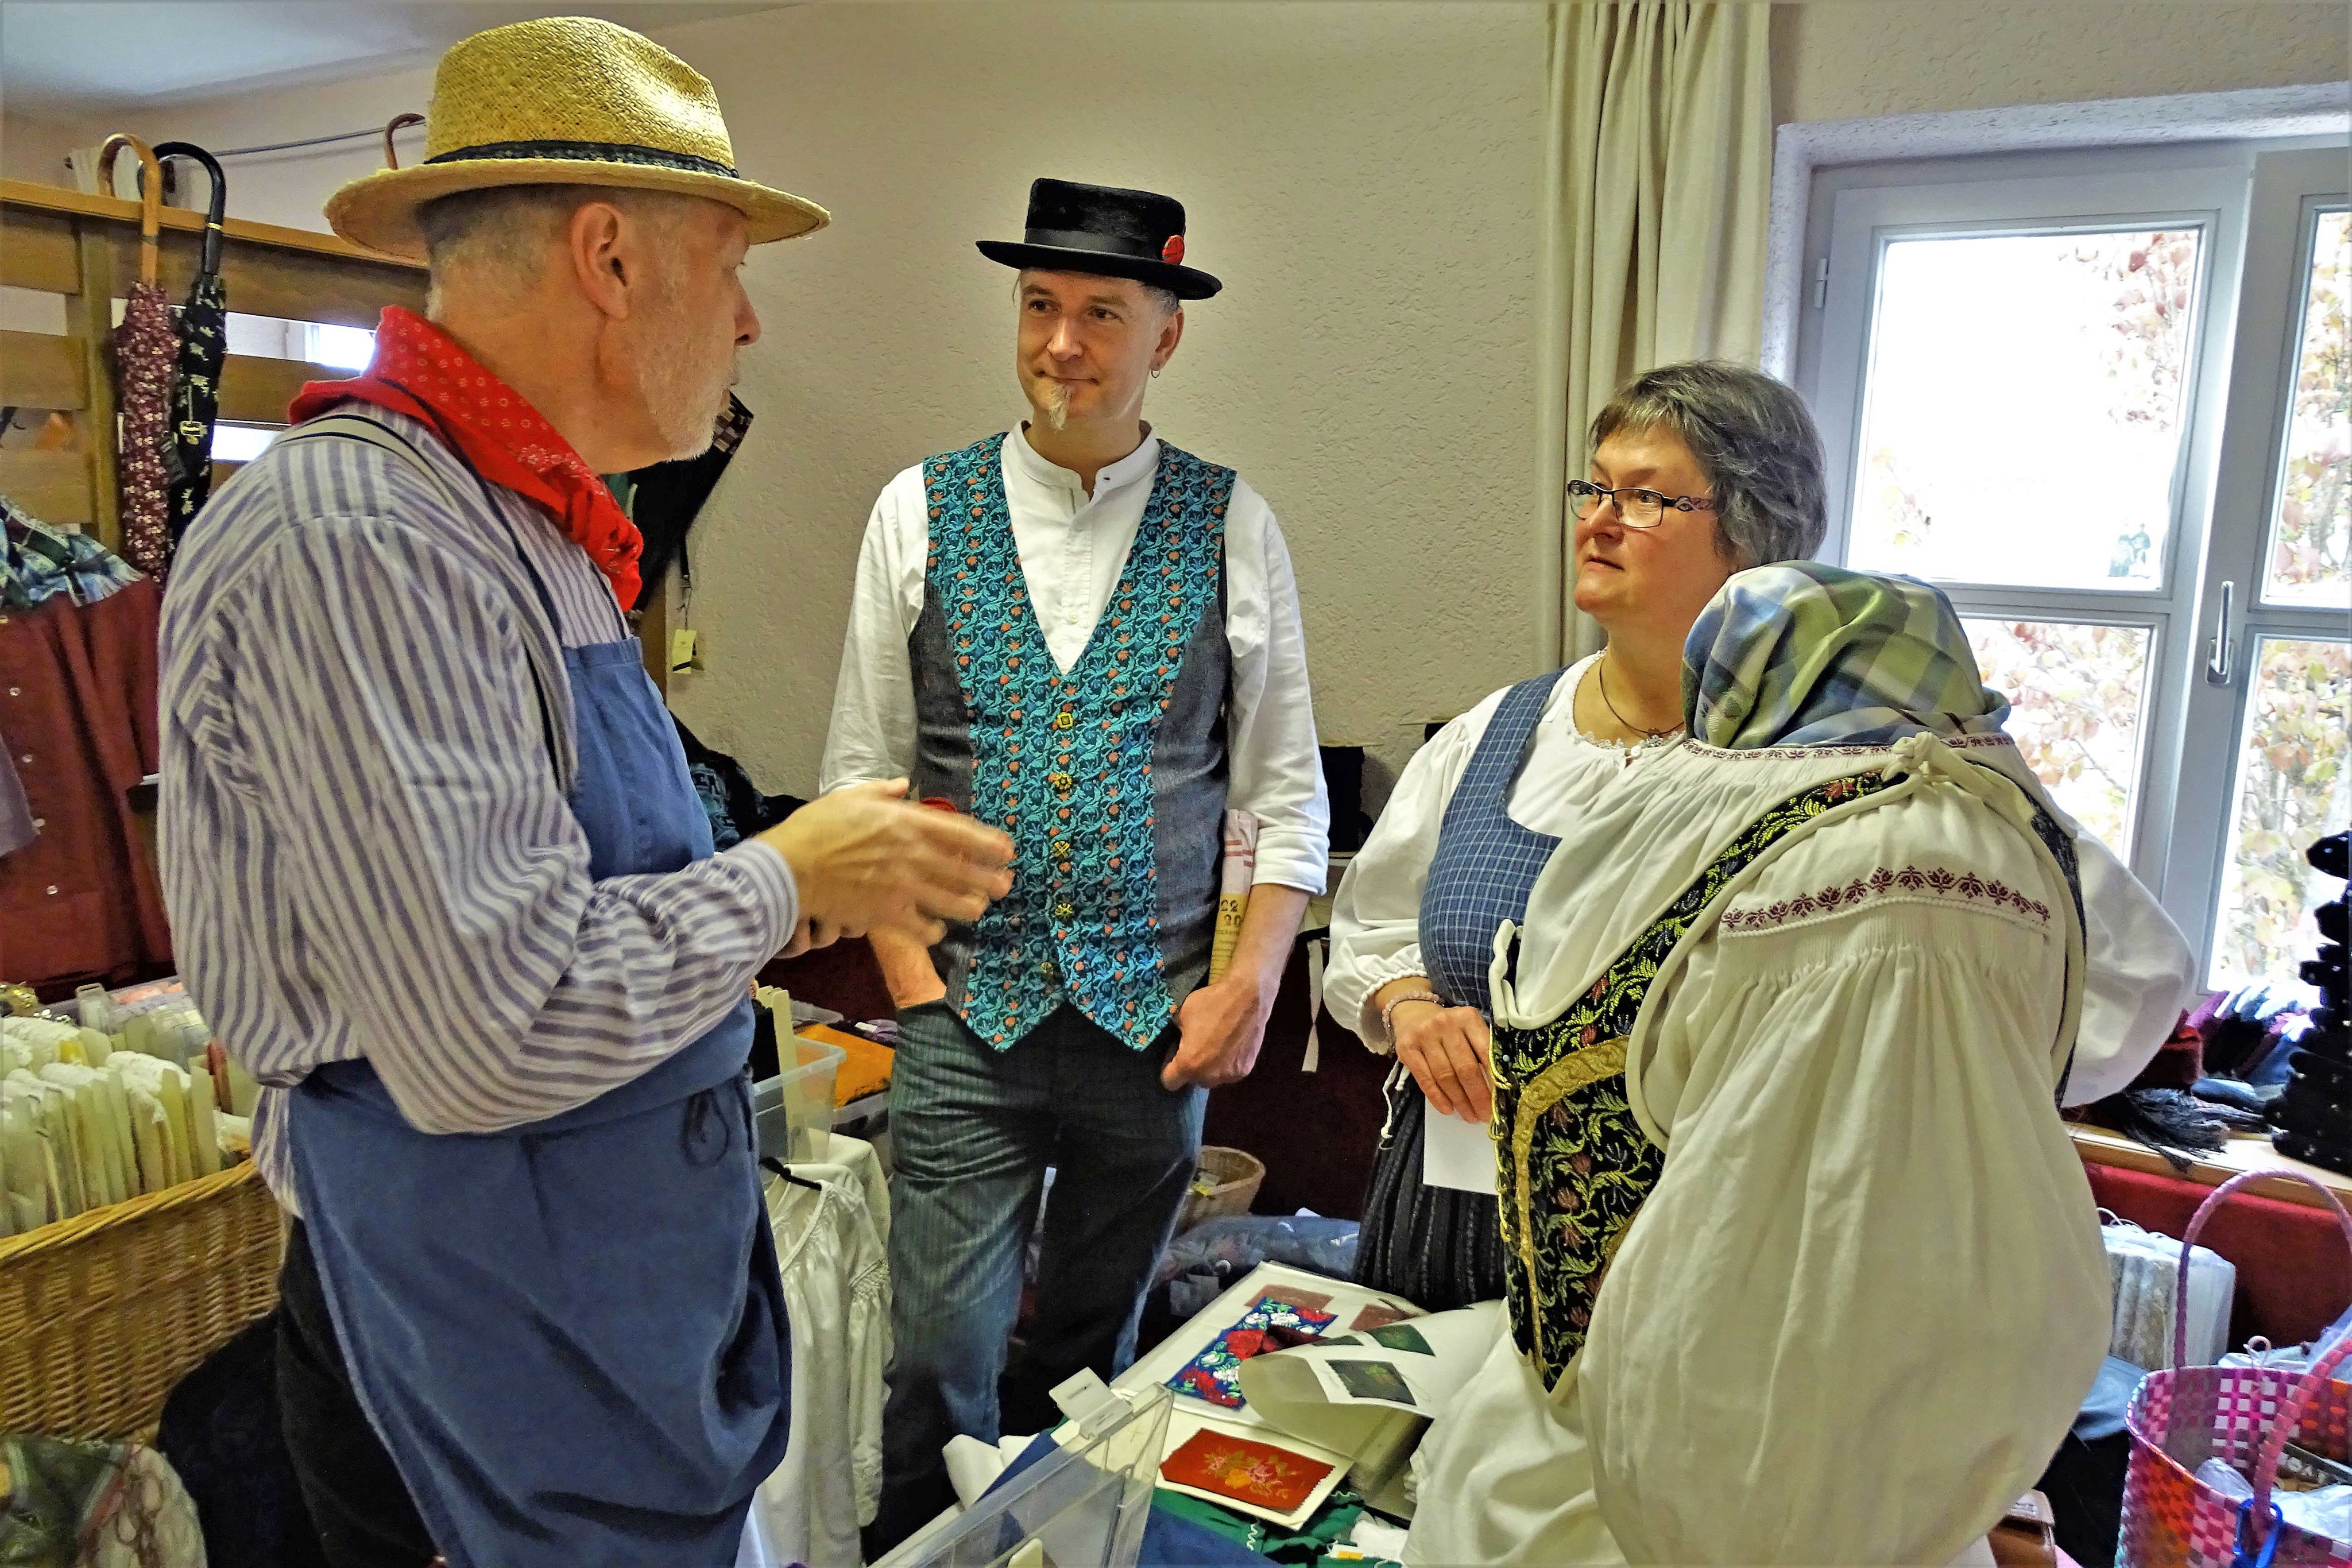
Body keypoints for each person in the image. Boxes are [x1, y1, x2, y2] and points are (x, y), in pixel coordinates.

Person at [157, 20, 1015, 1568]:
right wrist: (789, 872)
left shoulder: (527, 533)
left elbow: (563, 912)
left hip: (582, 1344)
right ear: (612, 259)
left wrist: (808, 869)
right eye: (733, 264)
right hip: (468, 1367)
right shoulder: (362, 538)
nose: (749, 322)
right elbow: (492, 1030)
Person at [1324, 361, 2195, 1563]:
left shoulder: (1894, 798)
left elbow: (2107, 986)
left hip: (1723, 1305)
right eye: (1593, 483)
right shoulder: (1496, 733)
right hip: (1450, 1210)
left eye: (1647, 496)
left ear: (1757, 538)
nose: (1598, 514)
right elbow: (1371, 924)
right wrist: (1406, 1001)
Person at [821, 177, 1330, 1544]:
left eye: (1101, 311)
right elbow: (861, 779)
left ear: (1163, 335)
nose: (1063, 342)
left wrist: (1249, 988)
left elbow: (1281, 794)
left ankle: (1061, 1548)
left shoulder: (1233, 524)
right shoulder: (915, 512)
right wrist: (911, 983)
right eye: (1040, 306)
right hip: (961, 1021)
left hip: (1151, 1026)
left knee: (1098, 1363)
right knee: (940, 1358)